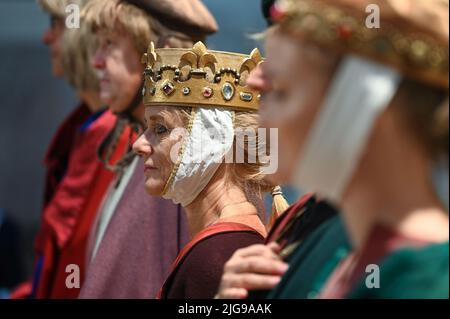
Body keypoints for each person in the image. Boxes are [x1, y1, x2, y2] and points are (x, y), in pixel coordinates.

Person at [221, 0, 449, 299]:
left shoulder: (423, 285)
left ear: (372, 112)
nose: (256, 92)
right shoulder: (354, 256)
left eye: (281, 91)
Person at [78, 0, 218, 298]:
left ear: (157, 53)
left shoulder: (189, 166)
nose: (96, 61)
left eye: (110, 44)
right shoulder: (139, 151)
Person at [133, 41, 277, 298]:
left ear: (211, 137)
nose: (139, 144)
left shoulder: (218, 257)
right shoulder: (223, 248)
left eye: (160, 129)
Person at [11, 0, 131, 299]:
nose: (45, 37)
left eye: (56, 24)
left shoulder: (118, 138)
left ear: (84, 34)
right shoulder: (86, 128)